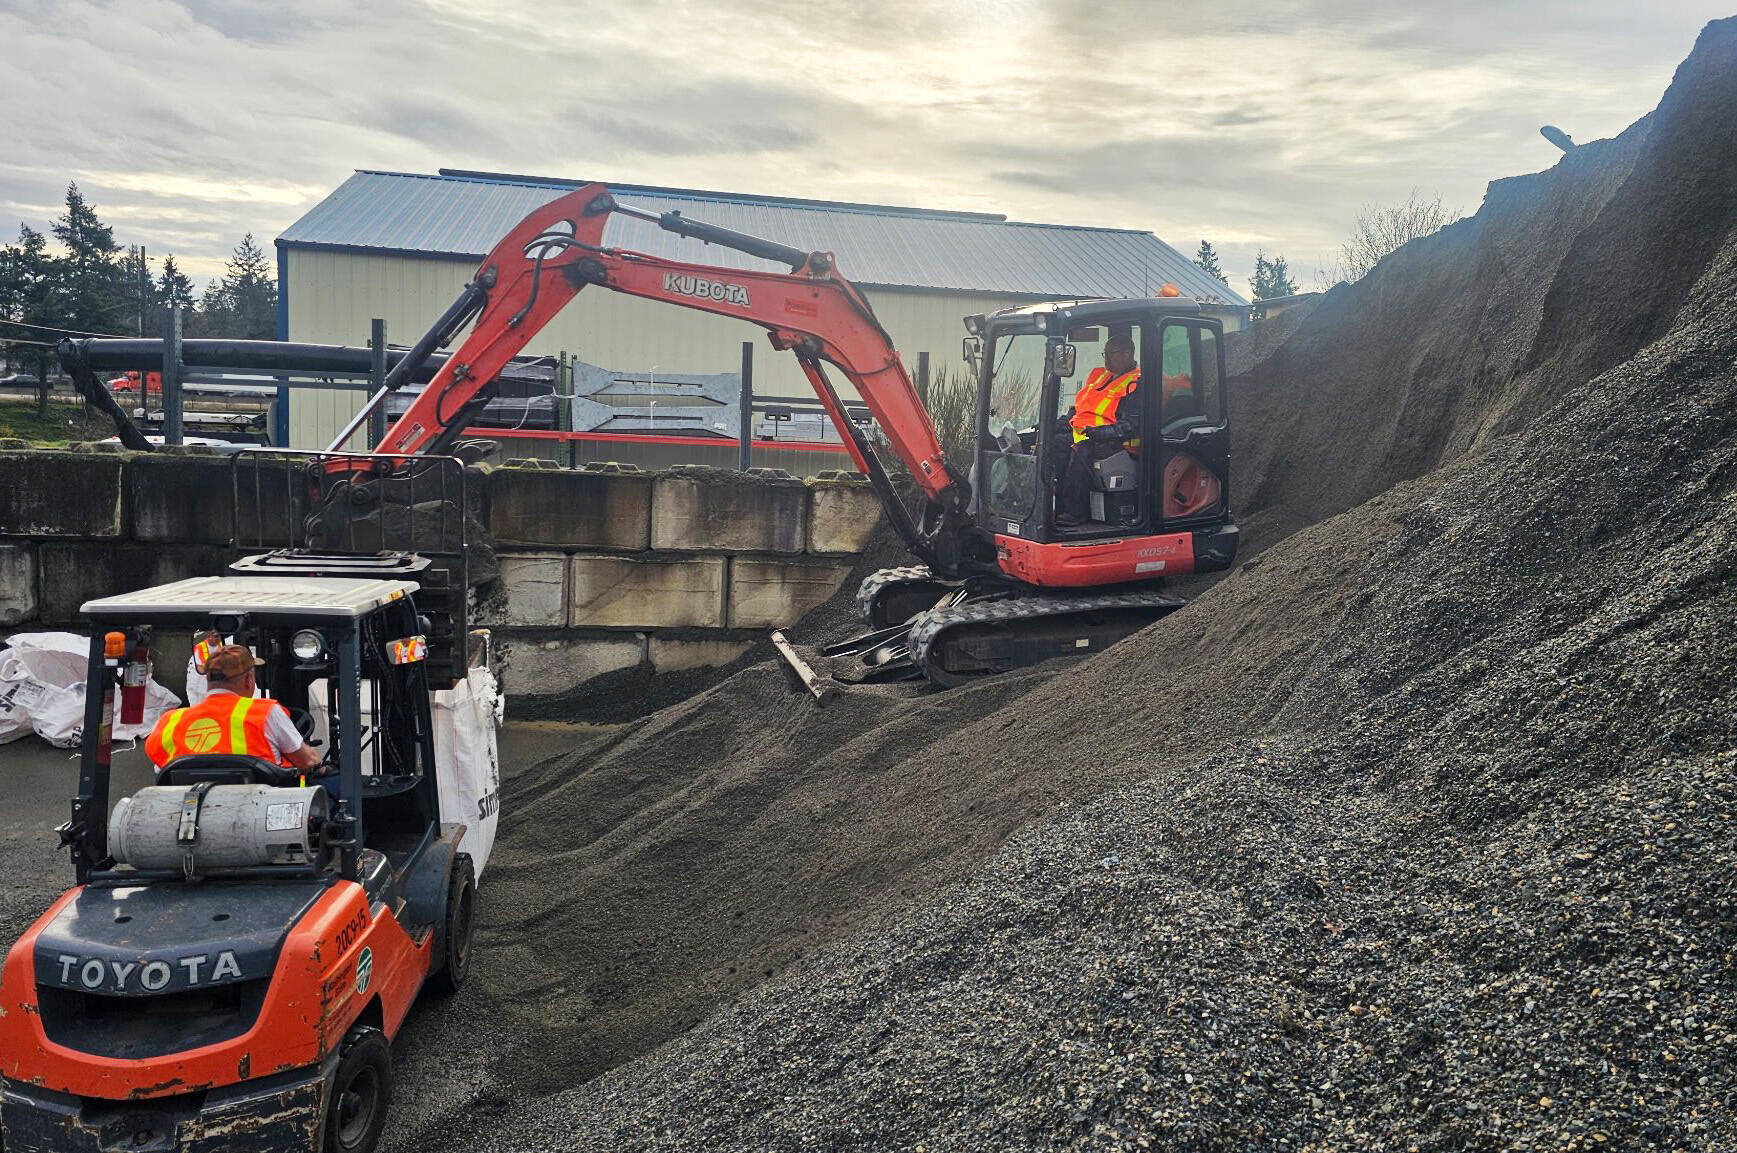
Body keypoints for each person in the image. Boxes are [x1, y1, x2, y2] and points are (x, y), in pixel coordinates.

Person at [144, 644, 323, 774]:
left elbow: (160, 768)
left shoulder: (170, 720)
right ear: (249, 680)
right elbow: (308, 761)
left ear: (208, 680)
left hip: (189, 813)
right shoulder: (266, 712)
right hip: (258, 810)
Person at [1055, 332, 1141, 525]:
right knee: (1049, 443)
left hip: (1109, 438)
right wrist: (1059, 423)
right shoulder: (1098, 375)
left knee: (1079, 450)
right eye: (1105, 354)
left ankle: (1075, 512)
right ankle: (1052, 505)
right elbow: (1081, 407)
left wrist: (1101, 433)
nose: (1107, 359)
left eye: (1111, 353)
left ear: (1127, 354)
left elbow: (1130, 425)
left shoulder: (1136, 383)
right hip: (1081, 431)